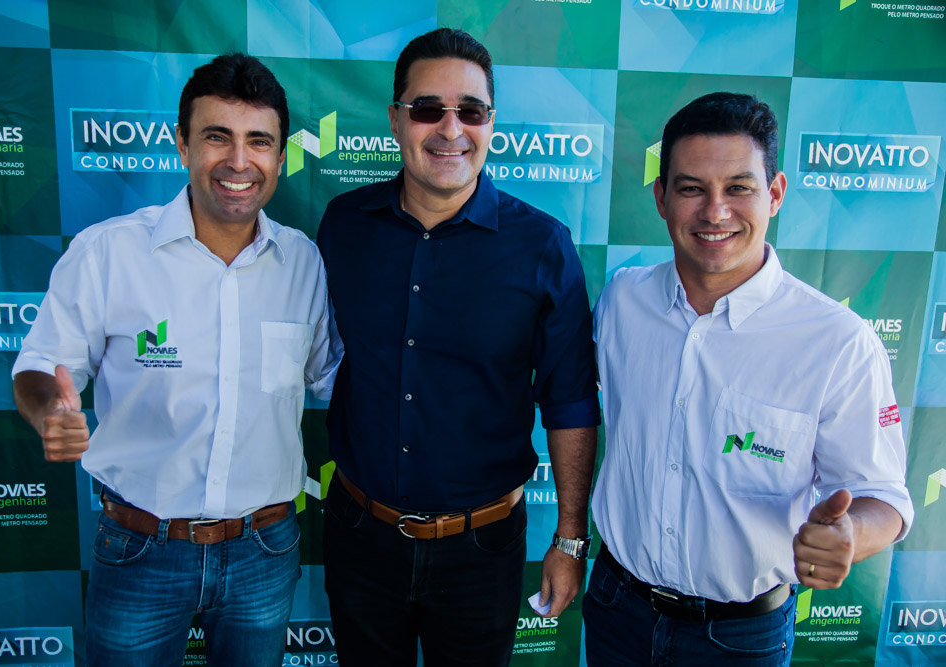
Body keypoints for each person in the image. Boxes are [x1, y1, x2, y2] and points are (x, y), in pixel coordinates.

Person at [12, 53, 339, 667]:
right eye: (217, 137)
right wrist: (50, 408)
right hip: (140, 547)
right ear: (182, 144)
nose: (239, 161)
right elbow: (39, 364)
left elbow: (331, 377)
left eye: (259, 141)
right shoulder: (108, 252)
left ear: (280, 156)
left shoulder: (304, 263)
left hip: (265, 550)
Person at [585, 92, 914, 665]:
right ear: (661, 198)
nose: (715, 212)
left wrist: (850, 536)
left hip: (740, 640)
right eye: (692, 188)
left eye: (738, 187)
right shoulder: (622, 301)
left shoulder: (838, 342)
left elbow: (884, 497)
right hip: (616, 608)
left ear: (775, 194)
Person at [315, 28, 600, 667]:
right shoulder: (344, 225)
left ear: (490, 123)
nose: (451, 128)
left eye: (470, 111)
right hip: (360, 534)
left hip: (483, 549)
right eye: (428, 109)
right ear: (396, 119)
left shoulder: (543, 247)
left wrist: (570, 539)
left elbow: (571, 403)